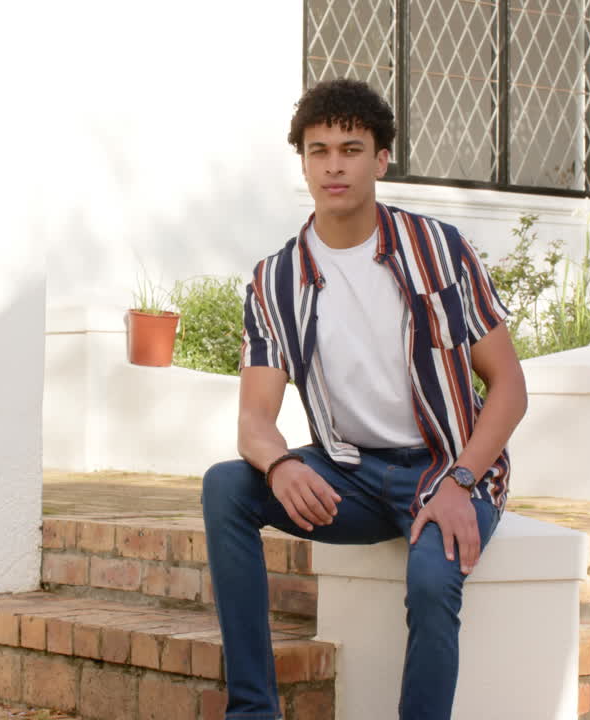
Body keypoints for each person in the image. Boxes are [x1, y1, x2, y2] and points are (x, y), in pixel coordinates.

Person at [200, 78, 529, 720]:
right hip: (348, 476)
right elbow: (253, 420)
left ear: (380, 159)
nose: (334, 165)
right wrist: (282, 463)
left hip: (445, 471)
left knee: (432, 581)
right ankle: (253, 712)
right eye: (318, 150)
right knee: (225, 488)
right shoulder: (277, 277)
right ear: (303, 163)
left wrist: (463, 479)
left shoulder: (440, 249)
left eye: (351, 148)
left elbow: (509, 387)